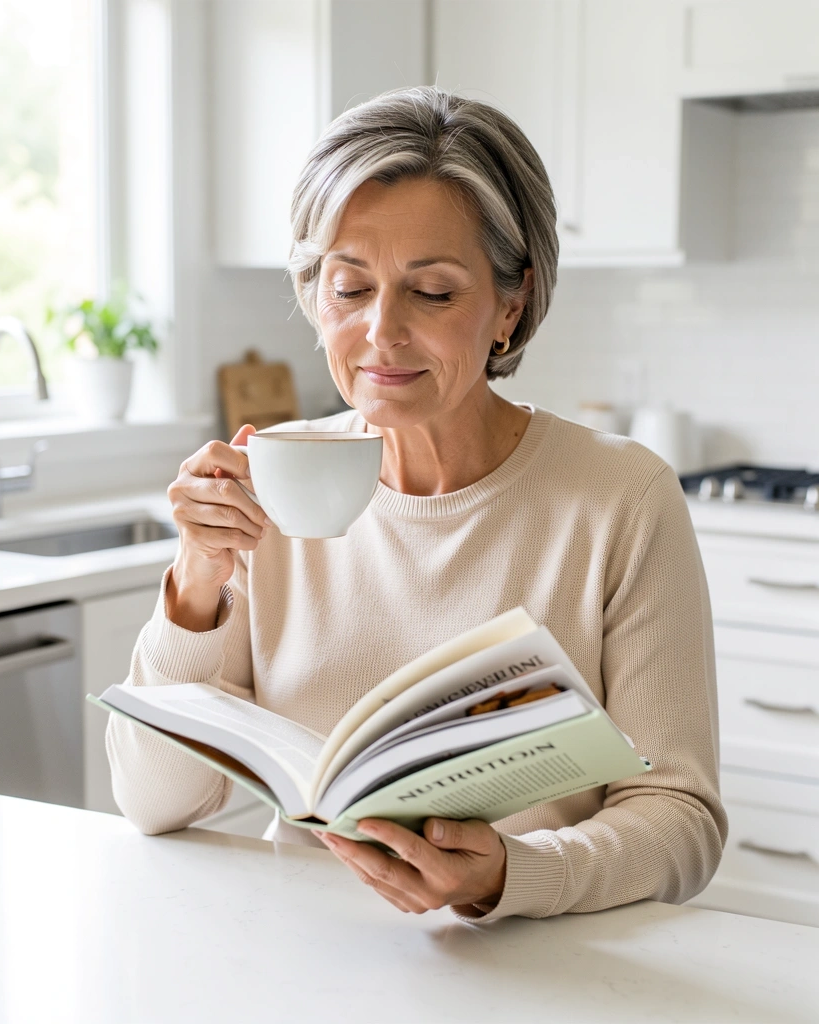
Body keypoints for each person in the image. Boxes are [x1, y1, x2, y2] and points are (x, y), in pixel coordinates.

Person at [107, 86, 727, 922]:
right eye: (349, 288)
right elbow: (153, 803)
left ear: (511, 305)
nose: (381, 332)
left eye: (432, 292)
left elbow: (682, 822)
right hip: (299, 950)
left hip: (535, 962)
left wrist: (512, 875)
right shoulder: (269, 481)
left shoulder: (621, 498)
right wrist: (194, 587)